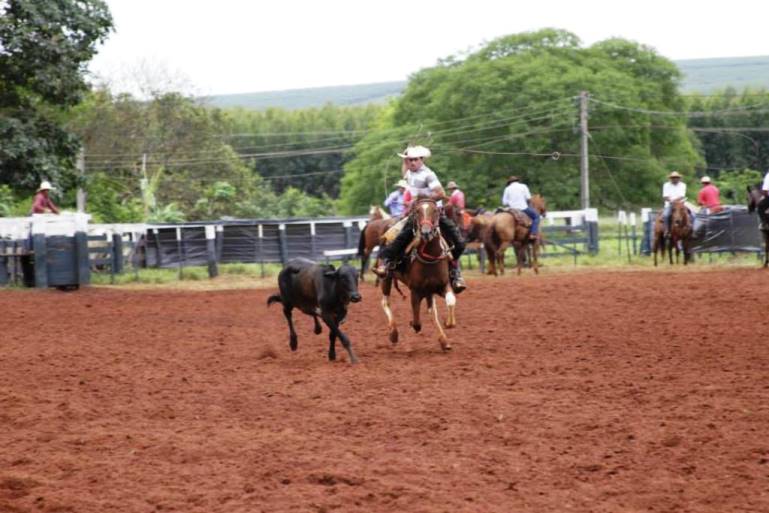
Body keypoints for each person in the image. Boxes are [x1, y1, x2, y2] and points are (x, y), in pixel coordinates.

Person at [374, 145, 467, 294]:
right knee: (399, 238)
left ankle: (455, 273)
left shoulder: (428, 175)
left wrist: (421, 200)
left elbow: (441, 193)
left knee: (459, 243)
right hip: (417, 215)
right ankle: (387, 264)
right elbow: (404, 171)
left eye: (415, 160)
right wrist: (404, 157)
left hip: (433, 214)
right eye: (409, 160)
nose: (411, 163)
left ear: (421, 160)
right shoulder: (410, 172)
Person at [662, 171, 687, 235]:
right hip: (670, 204)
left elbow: (682, 196)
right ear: (670, 178)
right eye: (673, 177)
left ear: (679, 178)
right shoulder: (666, 185)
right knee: (666, 215)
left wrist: (675, 201)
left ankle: (690, 229)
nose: (675, 179)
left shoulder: (683, 185)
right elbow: (665, 196)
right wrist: (671, 201)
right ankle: (666, 230)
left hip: (680, 204)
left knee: (692, 214)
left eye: (676, 177)